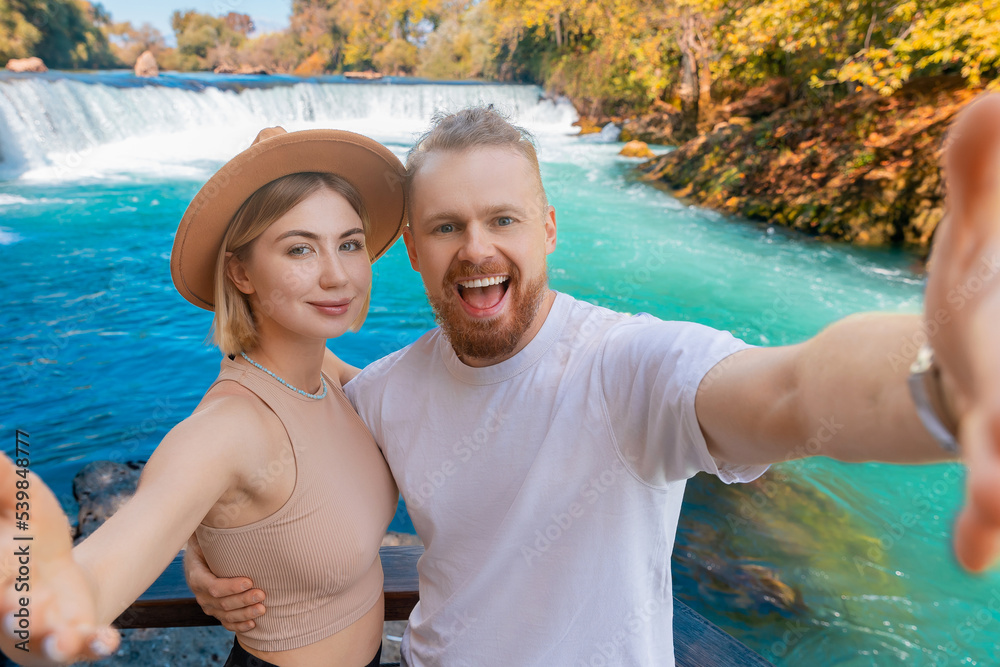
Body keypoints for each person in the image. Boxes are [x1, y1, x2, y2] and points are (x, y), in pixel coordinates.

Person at [188, 97, 1000, 665]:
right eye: (446, 226)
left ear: (547, 229)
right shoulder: (388, 391)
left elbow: (791, 389)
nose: (476, 248)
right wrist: (202, 551)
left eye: (503, 219)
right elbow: (275, 408)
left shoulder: (627, 366)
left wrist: (943, 382)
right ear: (414, 250)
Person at [0, 127, 409, 666]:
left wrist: (204, 540)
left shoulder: (326, 374)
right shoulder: (228, 429)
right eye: (300, 249)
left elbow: (419, 406)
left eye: (349, 244)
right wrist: (38, 605)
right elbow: (101, 570)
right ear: (241, 272)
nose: (337, 275)